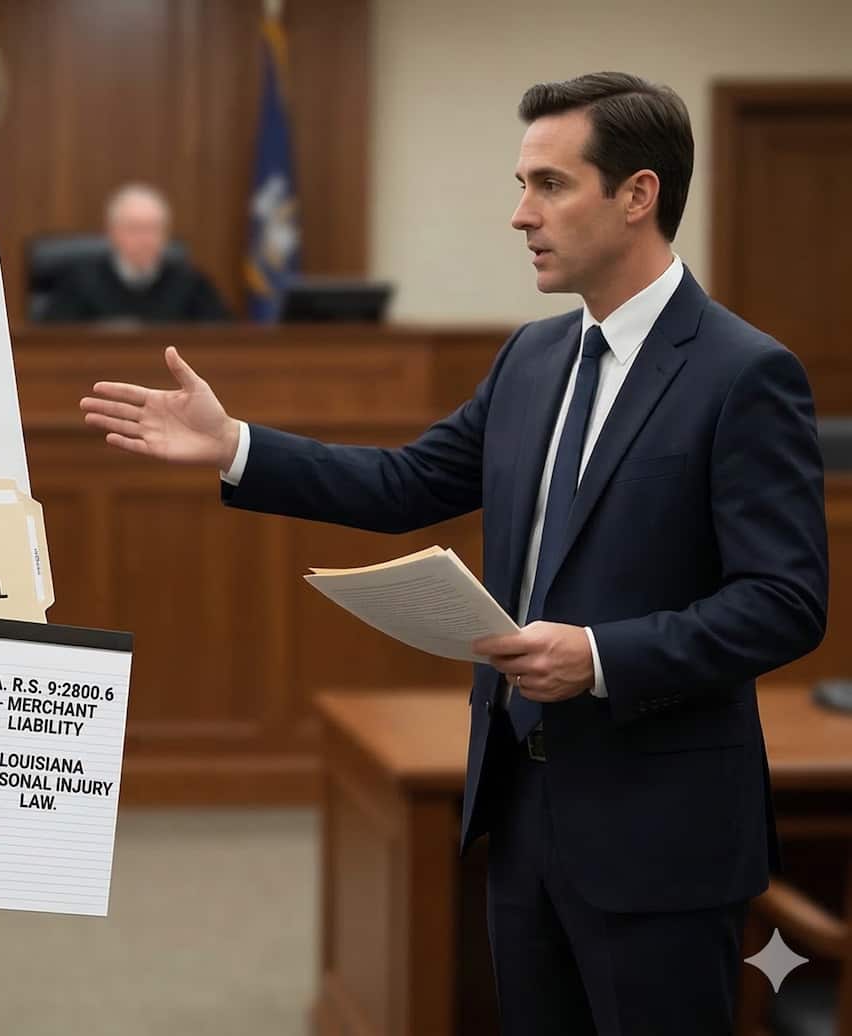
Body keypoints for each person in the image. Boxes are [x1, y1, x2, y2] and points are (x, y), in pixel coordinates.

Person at [79, 72, 826, 1034]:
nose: (521, 215)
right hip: (520, 816)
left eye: (550, 185)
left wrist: (601, 656)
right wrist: (238, 449)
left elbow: (785, 600)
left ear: (638, 194)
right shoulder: (531, 359)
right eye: (522, 184)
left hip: (661, 837)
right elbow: (403, 486)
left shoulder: (744, 373)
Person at [41, 183, 230, 323]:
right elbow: (51, 342)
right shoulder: (80, 281)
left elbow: (222, 339)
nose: (145, 239)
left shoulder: (191, 283)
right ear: (113, 233)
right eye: (135, 229)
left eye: (153, 229)